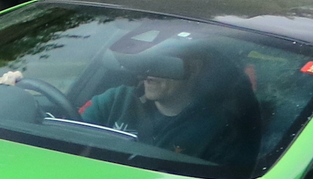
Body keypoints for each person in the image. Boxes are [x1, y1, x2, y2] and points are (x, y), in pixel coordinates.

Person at [77, 47, 258, 166]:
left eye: (161, 63)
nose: (148, 72)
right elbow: (73, 136)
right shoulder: (115, 100)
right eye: (145, 62)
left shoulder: (218, 129)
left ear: (193, 69)